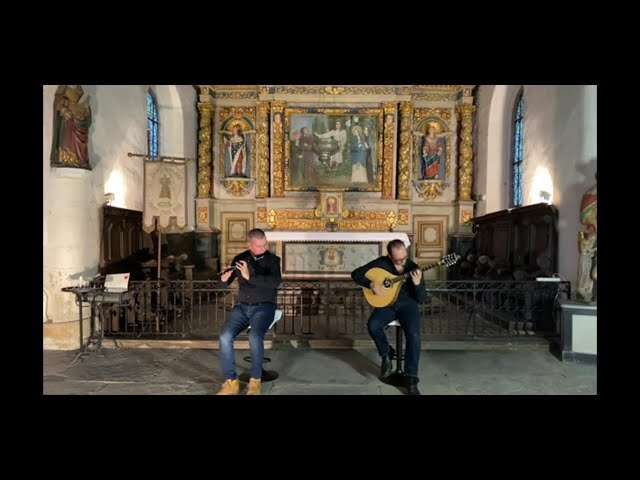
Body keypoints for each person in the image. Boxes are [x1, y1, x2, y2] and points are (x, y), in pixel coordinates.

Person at [350, 239, 428, 395]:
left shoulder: (413, 268)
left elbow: (422, 299)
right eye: (398, 259)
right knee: (373, 325)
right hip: (387, 305)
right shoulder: (381, 263)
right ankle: (386, 354)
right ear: (390, 256)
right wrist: (371, 284)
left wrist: (418, 283)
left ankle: (411, 379)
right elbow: (356, 274)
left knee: (414, 335)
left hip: (408, 306)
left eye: (404, 257)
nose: (403, 262)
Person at [216, 229, 282, 395]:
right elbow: (224, 283)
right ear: (249, 245)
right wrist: (224, 279)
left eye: (264, 244)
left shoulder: (273, 260)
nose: (263, 248)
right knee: (224, 337)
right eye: (259, 246)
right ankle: (231, 382)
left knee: (254, 336)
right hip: (242, 306)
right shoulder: (240, 258)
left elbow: (274, 283)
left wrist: (249, 276)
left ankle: (255, 381)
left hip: (264, 306)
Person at [50, 85, 92, 169]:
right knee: (67, 139)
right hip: (67, 122)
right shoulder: (62, 88)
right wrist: (64, 110)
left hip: (78, 119)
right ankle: (66, 158)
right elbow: (58, 104)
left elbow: (84, 105)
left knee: (81, 139)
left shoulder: (79, 89)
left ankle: (80, 159)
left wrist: (85, 111)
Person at [576, 172, 597, 303]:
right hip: (593, 237)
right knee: (586, 261)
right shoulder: (590, 195)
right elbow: (585, 217)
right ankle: (584, 291)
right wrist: (593, 224)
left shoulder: (589, 194)